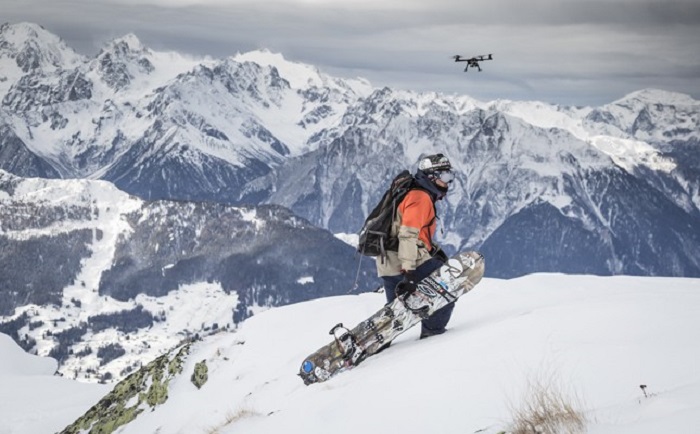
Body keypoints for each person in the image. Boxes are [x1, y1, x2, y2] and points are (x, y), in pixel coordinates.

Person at [376, 153, 456, 339]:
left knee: (396, 313)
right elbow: (408, 235)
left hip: (387, 261)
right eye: (445, 177)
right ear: (431, 177)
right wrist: (409, 272)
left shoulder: (411, 192)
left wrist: (434, 251)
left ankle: (380, 342)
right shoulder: (420, 197)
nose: (448, 182)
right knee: (445, 289)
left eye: (450, 176)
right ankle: (433, 333)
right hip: (404, 261)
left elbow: (411, 233)